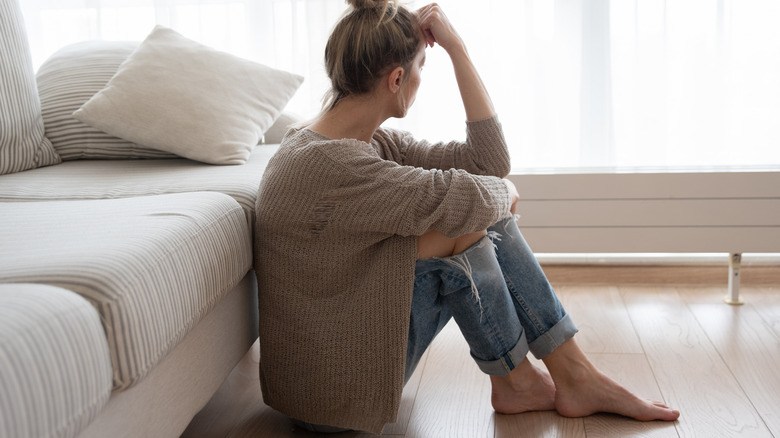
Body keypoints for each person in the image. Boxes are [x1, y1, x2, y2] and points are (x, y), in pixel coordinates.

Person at [253, 0, 680, 434]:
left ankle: (528, 381)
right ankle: (557, 377)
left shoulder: (352, 144)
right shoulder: (336, 167)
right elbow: (481, 191)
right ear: (397, 79)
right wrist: (506, 193)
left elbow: (487, 160)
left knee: (466, 219)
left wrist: (457, 49)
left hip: (319, 387)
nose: (422, 78)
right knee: (471, 223)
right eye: (422, 66)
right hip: (336, 398)